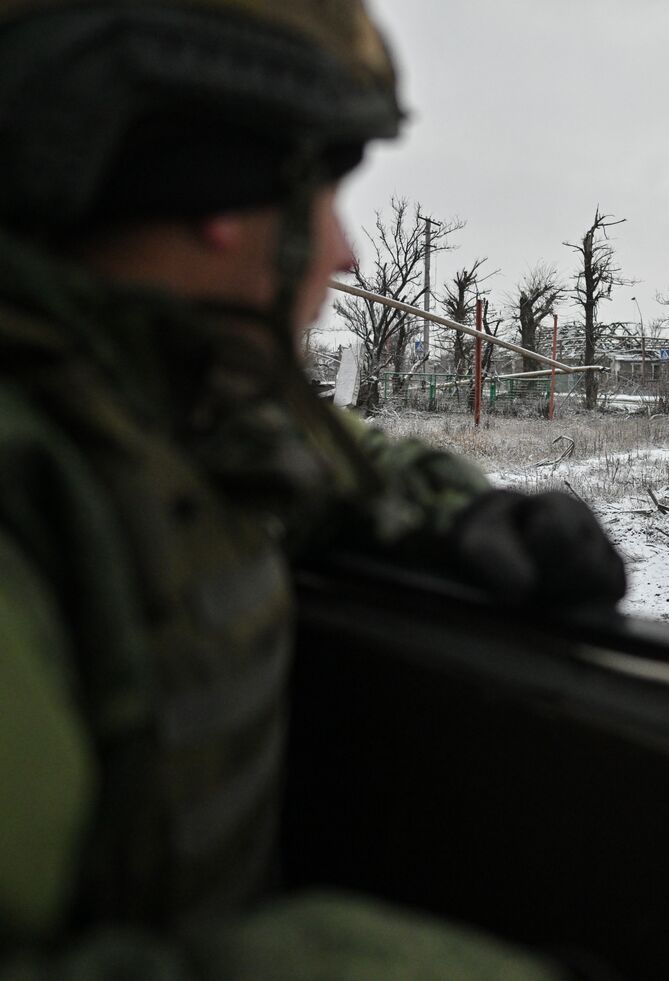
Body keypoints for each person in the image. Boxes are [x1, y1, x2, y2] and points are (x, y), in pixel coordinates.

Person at [0, 0, 622, 976]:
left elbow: (323, 461)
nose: (346, 254)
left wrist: (463, 513)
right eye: (324, 197)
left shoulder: (158, 398)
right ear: (216, 201)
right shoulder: (35, 473)